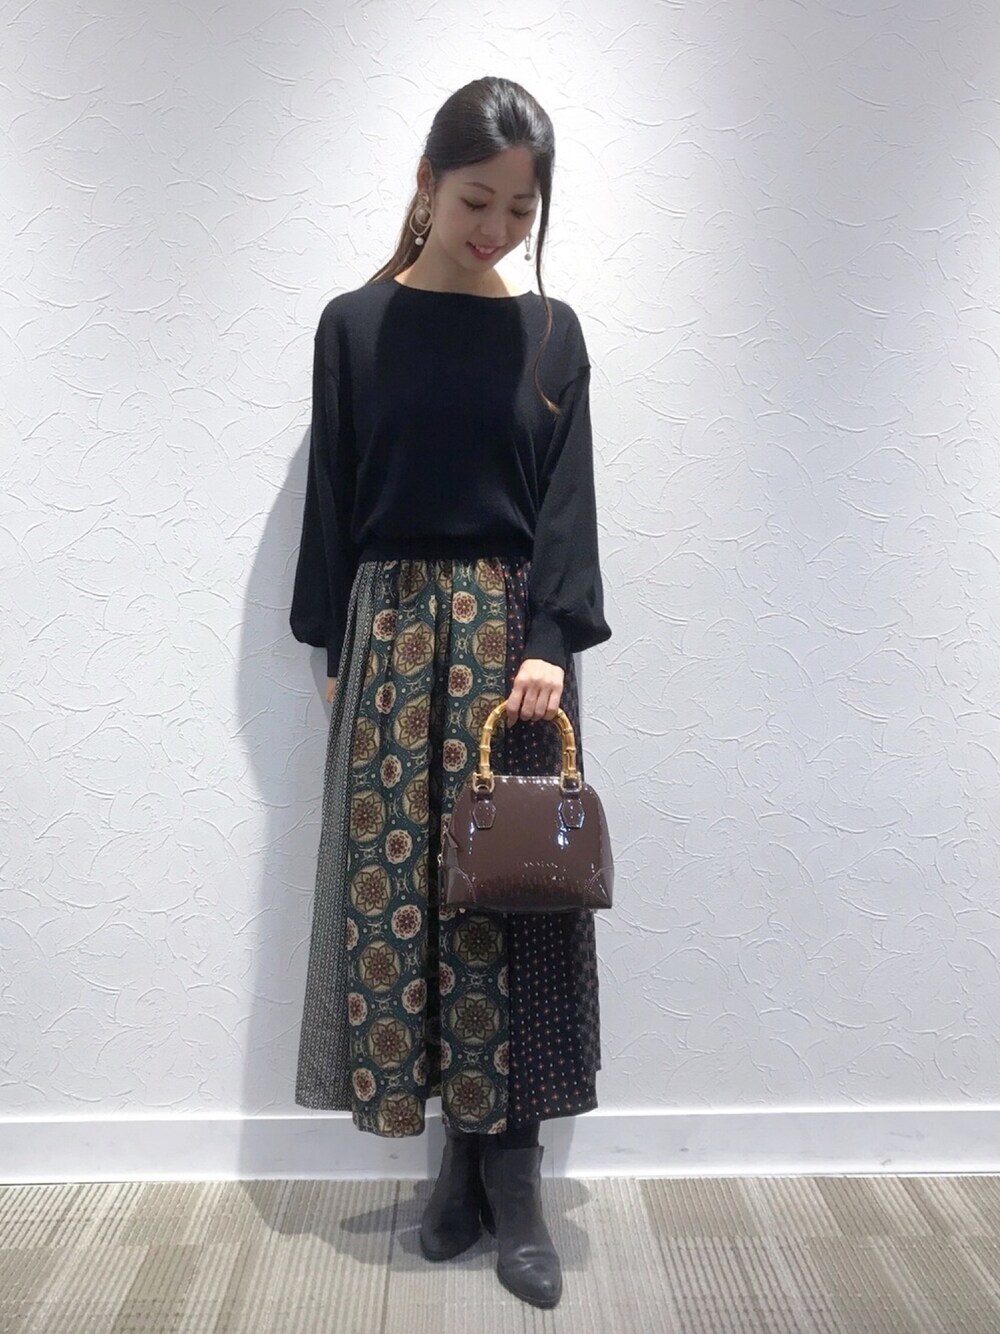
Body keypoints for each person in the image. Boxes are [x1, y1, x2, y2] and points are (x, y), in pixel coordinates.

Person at [288, 76, 612, 1311]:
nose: (497, 228)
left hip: (511, 654)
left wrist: (551, 636)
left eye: (521, 209)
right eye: (478, 200)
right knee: (405, 904)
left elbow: (568, 501)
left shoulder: (550, 334)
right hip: (386, 637)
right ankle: (453, 1158)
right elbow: (334, 496)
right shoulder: (353, 326)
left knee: (508, 902)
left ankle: (510, 1171)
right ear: (427, 183)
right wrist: (332, 648)